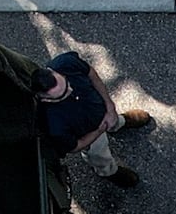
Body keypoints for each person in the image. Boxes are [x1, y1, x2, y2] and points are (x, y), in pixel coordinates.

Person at [33, 52, 151, 188]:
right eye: (63, 95)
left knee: (114, 121)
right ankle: (109, 172)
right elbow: (75, 146)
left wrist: (110, 106)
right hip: (90, 136)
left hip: (104, 111)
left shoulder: (65, 63)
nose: (70, 90)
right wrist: (100, 130)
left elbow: (91, 74)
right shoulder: (52, 124)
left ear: (52, 71)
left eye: (66, 83)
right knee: (100, 156)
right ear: (45, 99)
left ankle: (121, 122)